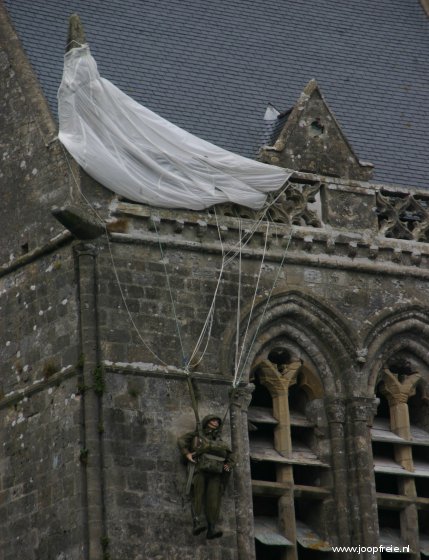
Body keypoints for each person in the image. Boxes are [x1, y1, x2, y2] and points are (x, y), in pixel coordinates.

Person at [177, 414, 235, 539]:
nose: (216, 423)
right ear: (207, 422)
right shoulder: (197, 435)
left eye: (217, 421)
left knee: (214, 500)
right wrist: (187, 454)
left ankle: (212, 528)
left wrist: (229, 465)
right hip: (200, 470)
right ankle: (197, 522)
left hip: (216, 473)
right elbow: (182, 441)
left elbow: (232, 457)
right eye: (213, 420)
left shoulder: (220, 441)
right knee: (198, 495)